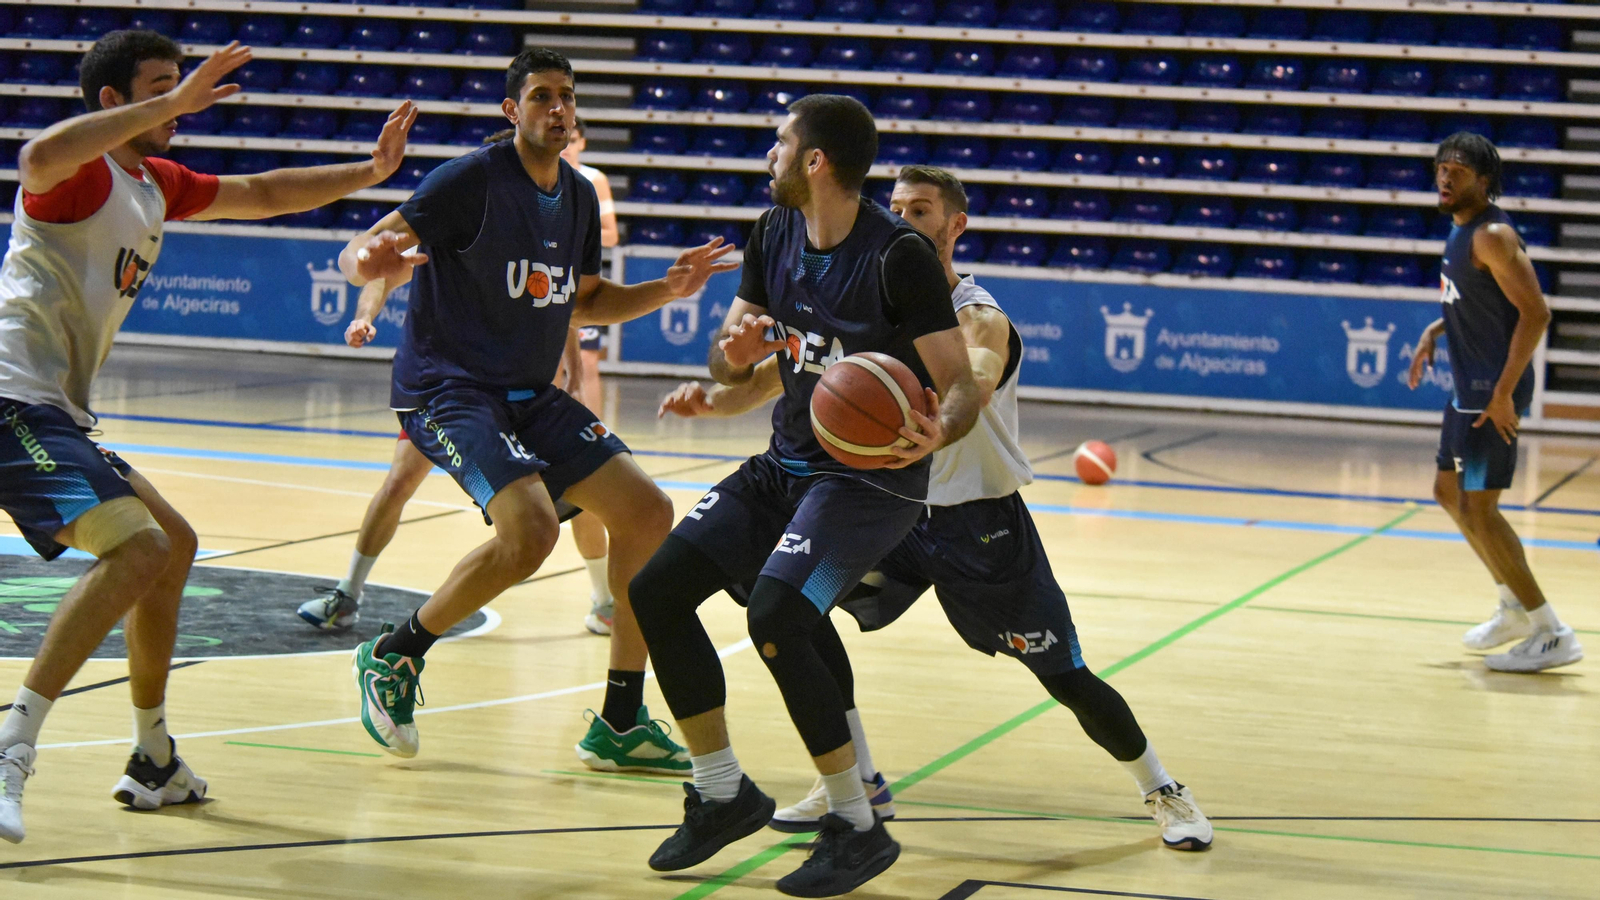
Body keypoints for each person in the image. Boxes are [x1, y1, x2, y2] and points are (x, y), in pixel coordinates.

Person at [656, 164, 1214, 853]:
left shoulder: (978, 315)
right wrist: (712, 400)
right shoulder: (872, 299)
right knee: (792, 610)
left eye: (919, 210)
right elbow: (786, 378)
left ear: (955, 227)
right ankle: (858, 780)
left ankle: (1162, 787)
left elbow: (975, 369)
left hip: (973, 523)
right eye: (895, 207)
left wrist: (946, 411)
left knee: (1063, 673)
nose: (902, 221)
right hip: (881, 510)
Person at [0, 30, 419, 843]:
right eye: (162, 88)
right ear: (114, 101)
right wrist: (179, 98)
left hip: (55, 411)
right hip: (11, 400)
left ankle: (153, 756)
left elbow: (261, 192)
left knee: (175, 547)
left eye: (181, 86)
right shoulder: (81, 170)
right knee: (139, 550)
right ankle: (13, 745)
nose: (184, 104)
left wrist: (369, 172)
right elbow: (37, 156)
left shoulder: (155, 181)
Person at [338, 49, 737, 775]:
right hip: (448, 390)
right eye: (542, 96)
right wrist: (369, 263)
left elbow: (587, 301)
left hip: (528, 393)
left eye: (567, 97)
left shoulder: (577, 194)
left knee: (648, 512)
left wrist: (667, 290)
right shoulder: (469, 180)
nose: (558, 108)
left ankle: (619, 722)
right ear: (511, 110)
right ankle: (395, 654)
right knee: (532, 533)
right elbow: (361, 248)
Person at [628, 96, 982, 896]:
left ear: (814, 161)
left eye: (781, 143)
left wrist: (939, 431)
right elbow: (727, 361)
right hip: (784, 466)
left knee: (779, 617)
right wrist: (734, 354)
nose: (770, 155)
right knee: (655, 591)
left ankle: (856, 824)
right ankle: (722, 793)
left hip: (871, 481)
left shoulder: (898, 256)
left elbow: (960, 383)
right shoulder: (774, 232)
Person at [1408, 132, 1582, 673]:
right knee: (1447, 492)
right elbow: (1479, 302)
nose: (1445, 176)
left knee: (1480, 510)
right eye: (1441, 168)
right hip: (1468, 388)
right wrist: (1436, 330)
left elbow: (1536, 314)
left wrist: (1504, 393)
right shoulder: (1461, 230)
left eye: (1457, 170)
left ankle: (1551, 631)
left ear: (1484, 181)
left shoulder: (1492, 235)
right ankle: (1511, 606)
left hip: (1491, 392)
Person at [560, 116, 621, 635]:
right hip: (544, 285)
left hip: (579, 279)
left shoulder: (590, 180)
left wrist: (572, 231)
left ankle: (605, 599)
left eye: (574, 132)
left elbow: (610, 233)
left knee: (586, 360)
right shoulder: (534, 181)